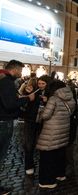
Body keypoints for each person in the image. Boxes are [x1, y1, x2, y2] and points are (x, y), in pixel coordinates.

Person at [0, 60, 34, 195]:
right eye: (20, 71)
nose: (21, 74)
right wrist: (27, 98)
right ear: (14, 70)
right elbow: (10, 104)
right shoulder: (6, 82)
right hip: (3, 122)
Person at [35, 80, 75, 189]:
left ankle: (47, 181)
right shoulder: (70, 98)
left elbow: (45, 116)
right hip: (63, 130)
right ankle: (60, 174)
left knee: (47, 156)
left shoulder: (54, 99)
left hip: (51, 131)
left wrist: (42, 109)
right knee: (59, 153)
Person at [20, 75, 50, 175]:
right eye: (39, 83)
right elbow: (24, 102)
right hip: (30, 120)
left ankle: (44, 166)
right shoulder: (34, 91)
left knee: (43, 145)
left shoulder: (50, 93)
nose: (40, 86)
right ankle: (29, 166)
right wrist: (26, 93)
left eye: (43, 84)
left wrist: (47, 102)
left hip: (43, 122)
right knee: (29, 144)